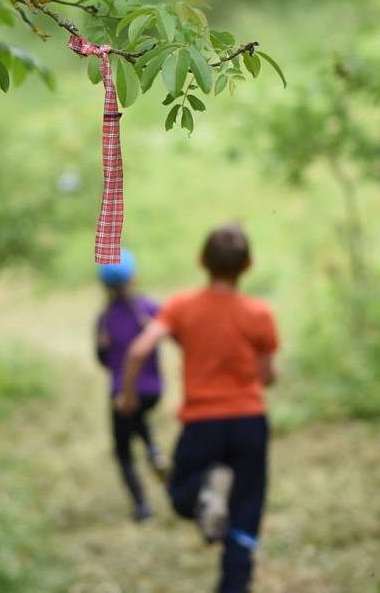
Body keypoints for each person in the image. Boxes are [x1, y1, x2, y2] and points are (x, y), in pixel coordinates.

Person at [116, 225, 279, 593]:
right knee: (246, 510)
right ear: (248, 265)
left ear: (201, 261)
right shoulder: (259, 313)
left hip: (203, 422)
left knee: (179, 495)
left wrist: (127, 396)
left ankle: (205, 491)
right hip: (250, 421)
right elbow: (267, 376)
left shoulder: (182, 306)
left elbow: (140, 349)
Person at [95, 248, 167, 522]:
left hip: (120, 393)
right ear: (134, 277)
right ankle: (153, 450)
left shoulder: (104, 320)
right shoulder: (150, 309)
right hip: (152, 391)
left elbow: (101, 358)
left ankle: (141, 506)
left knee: (123, 450)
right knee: (137, 415)